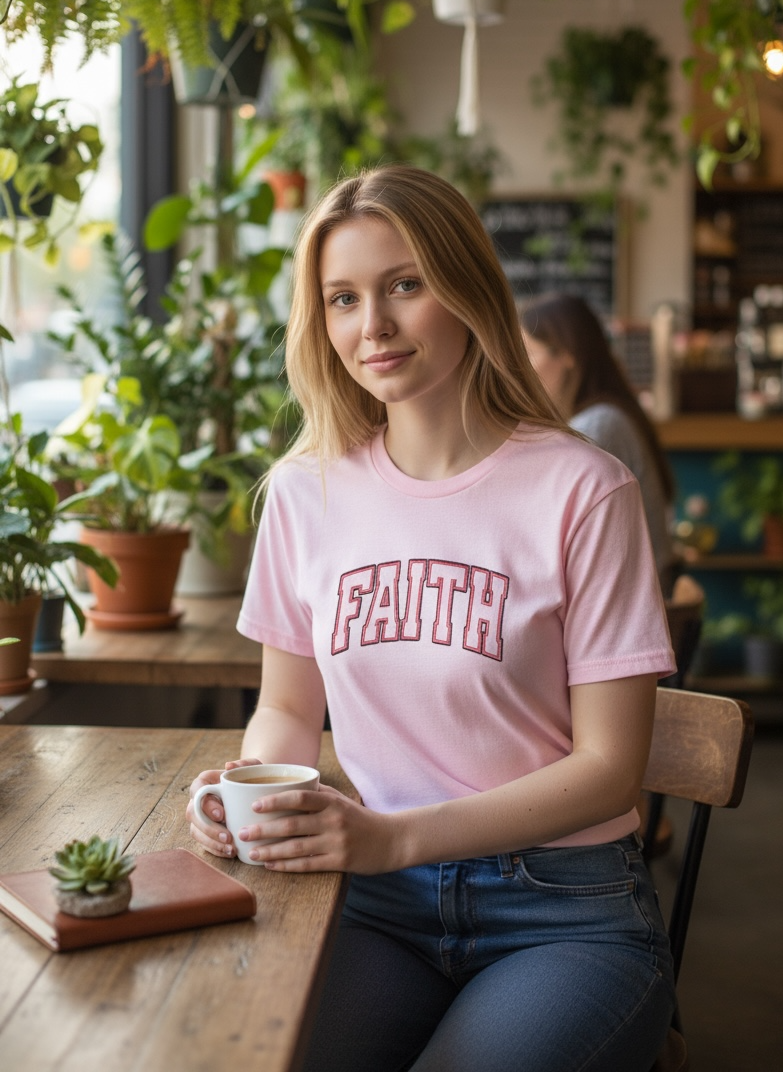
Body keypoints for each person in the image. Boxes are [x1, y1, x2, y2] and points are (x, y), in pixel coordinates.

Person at [186, 166, 677, 1072]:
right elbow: (289, 707)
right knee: (241, 1051)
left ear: (467, 289)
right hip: (373, 903)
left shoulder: (583, 489)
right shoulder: (305, 491)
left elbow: (613, 771)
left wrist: (393, 835)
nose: (371, 326)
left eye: (403, 285)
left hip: (563, 913)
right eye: (341, 299)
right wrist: (256, 790)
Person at [521, 293, 677, 594]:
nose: (520, 368)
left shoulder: (597, 426)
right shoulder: (605, 415)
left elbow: (544, 528)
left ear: (565, 354)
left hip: (635, 608)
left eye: (528, 352)